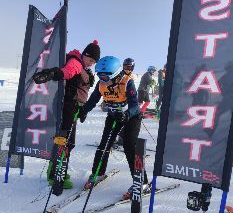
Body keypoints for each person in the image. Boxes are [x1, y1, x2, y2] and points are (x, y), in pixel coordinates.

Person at [33, 40, 100, 192]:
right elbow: (67, 72)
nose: (91, 64)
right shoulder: (75, 63)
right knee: (64, 140)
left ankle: (60, 170)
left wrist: (83, 109)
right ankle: (54, 173)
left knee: (68, 142)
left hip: (74, 107)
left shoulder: (83, 66)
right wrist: (51, 74)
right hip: (68, 106)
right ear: (85, 55)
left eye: (93, 62)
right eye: (90, 60)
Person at [79, 56, 150, 199]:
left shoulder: (127, 82)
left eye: (106, 77)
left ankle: (142, 181)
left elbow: (135, 106)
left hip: (131, 116)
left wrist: (126, 115)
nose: (103, 79)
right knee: (104, 144)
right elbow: (93, 100)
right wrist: (84, 110)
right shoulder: (101, 84)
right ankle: (98, 173)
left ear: (116, 74)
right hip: (113, 116)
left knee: (129, 146)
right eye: (100, 76)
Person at [116, 58, 135, 146]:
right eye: (125, 67)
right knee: (118, 121)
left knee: (125, 121)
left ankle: (120, 138)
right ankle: (112, 139)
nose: (127, 69)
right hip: (118, 102)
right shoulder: (120, 75)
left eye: (130, 68)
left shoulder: (130, 77)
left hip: (126, 102)